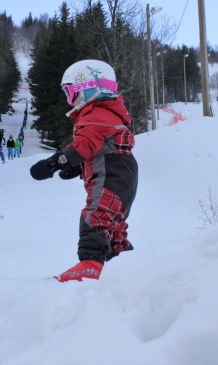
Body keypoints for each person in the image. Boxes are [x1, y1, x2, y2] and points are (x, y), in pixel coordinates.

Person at [29, 59, 138, 283]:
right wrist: (78, 166)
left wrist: (54, 163)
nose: (70, 100)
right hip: (121, 174)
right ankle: (124, 269)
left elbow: (85, 145)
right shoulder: (107, 113)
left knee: (95, 217)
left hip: (112, 174)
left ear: (89, 88)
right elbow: (98, 148)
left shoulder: (95, 113)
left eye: (71, 93)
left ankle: (90, 265)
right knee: (112, 222)